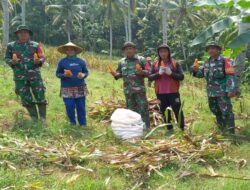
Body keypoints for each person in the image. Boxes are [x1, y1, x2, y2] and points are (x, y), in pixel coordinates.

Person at [4, 25, 47, 122]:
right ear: (18, 34)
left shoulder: (36, 45)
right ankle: (34, 118)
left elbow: (42, 56)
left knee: (40, 95)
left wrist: (39, 61)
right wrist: (12, 62)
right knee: (25, 97)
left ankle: (43, 118)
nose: (23, 34)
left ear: (29, 34)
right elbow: (6, 58)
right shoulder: (11, 45)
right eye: (21, 32)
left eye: (25, 32)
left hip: (34, 75)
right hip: (20, 76)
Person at [192, 42, 236, 134]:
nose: (210, 50)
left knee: (227, 111)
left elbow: (230, 76)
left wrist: (231, 89)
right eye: (209, 49)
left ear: (218, 50)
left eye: (213, 48)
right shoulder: (207, 62)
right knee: (216, 111)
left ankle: (232, 133)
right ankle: (222, 130)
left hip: (222, 92)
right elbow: (201, 75)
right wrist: (196, 71)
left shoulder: (225, 61)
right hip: (211, 92)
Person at [109, 42, 150, 130]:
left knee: (143, 109)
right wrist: (115, 74)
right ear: (124, 51)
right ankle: (133, 129)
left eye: (130, 48)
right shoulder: (121, 61)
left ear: (135, 50)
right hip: (128, 91)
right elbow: (119, 74)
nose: (128, 50)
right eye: (126, 49)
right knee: (130, 111)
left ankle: (146, 128)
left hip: (140, 91)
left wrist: (142, 72)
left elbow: (149, 72)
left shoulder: (141, 60)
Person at [149, 44, 185, 133]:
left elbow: (181, 77)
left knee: (177, 110)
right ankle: (169, 129)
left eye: (165, 51)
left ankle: (182, 129)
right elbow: (150, 77)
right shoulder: (155, 64)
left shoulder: (175, 63)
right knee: (164, 111)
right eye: (161, 51)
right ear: (158, 53)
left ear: (169, 52)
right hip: (160, 92)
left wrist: (171, 73)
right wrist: (158, 73)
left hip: (173, 91)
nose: (163, 53)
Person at [56, 42, 88, 127]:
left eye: (72, 49)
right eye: (67, 49)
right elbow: (57, 74)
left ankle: (83, 123)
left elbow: (86, 72)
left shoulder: (81, 61)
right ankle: (72, 122)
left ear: (75, 51)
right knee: (69, 106)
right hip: (67, 88)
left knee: (81, 107)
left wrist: (83, 75)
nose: (70, 51)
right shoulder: (62, 62)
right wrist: (64, 75)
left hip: (80, 87)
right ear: (65, 51)